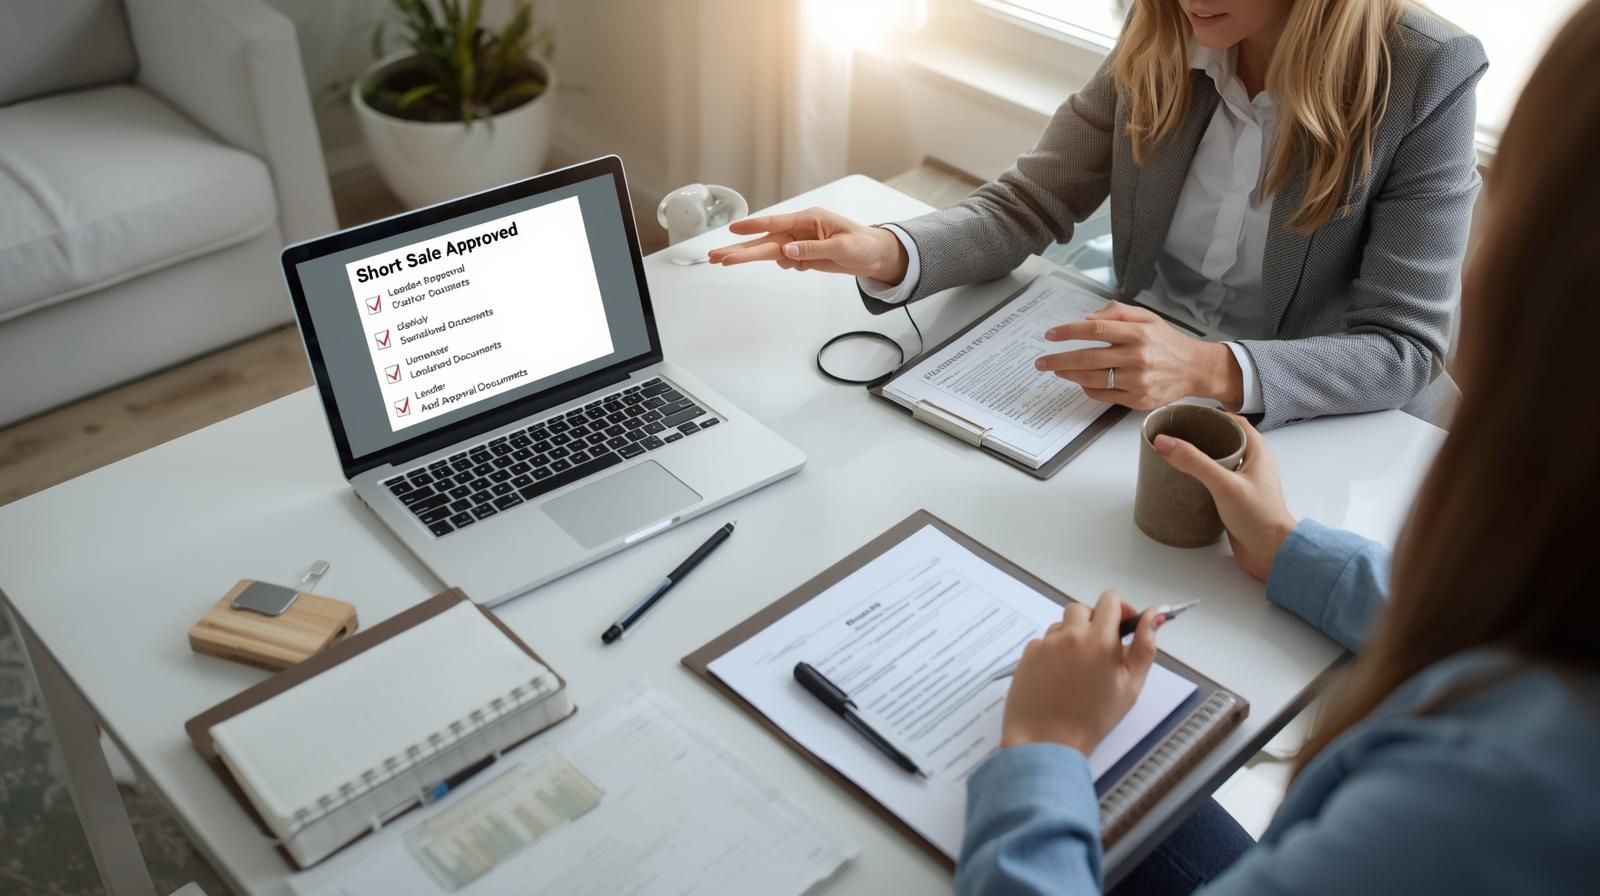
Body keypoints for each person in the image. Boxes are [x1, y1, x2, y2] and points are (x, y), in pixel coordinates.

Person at [953, 1, 1600, 892]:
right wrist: (1300, 554)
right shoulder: (1543, 634)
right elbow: (1032, 195)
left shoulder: (1487, 798)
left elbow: (1408, 345)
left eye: (1512, 201)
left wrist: (1042, 749)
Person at [710, 0, 1486, 429]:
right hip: (1129, 393)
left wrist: (1209, 368)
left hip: (1313, 418)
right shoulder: (1166, 26)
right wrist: (887, 249)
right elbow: (1029, 202)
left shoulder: (1424, 72)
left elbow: (1404, 348)